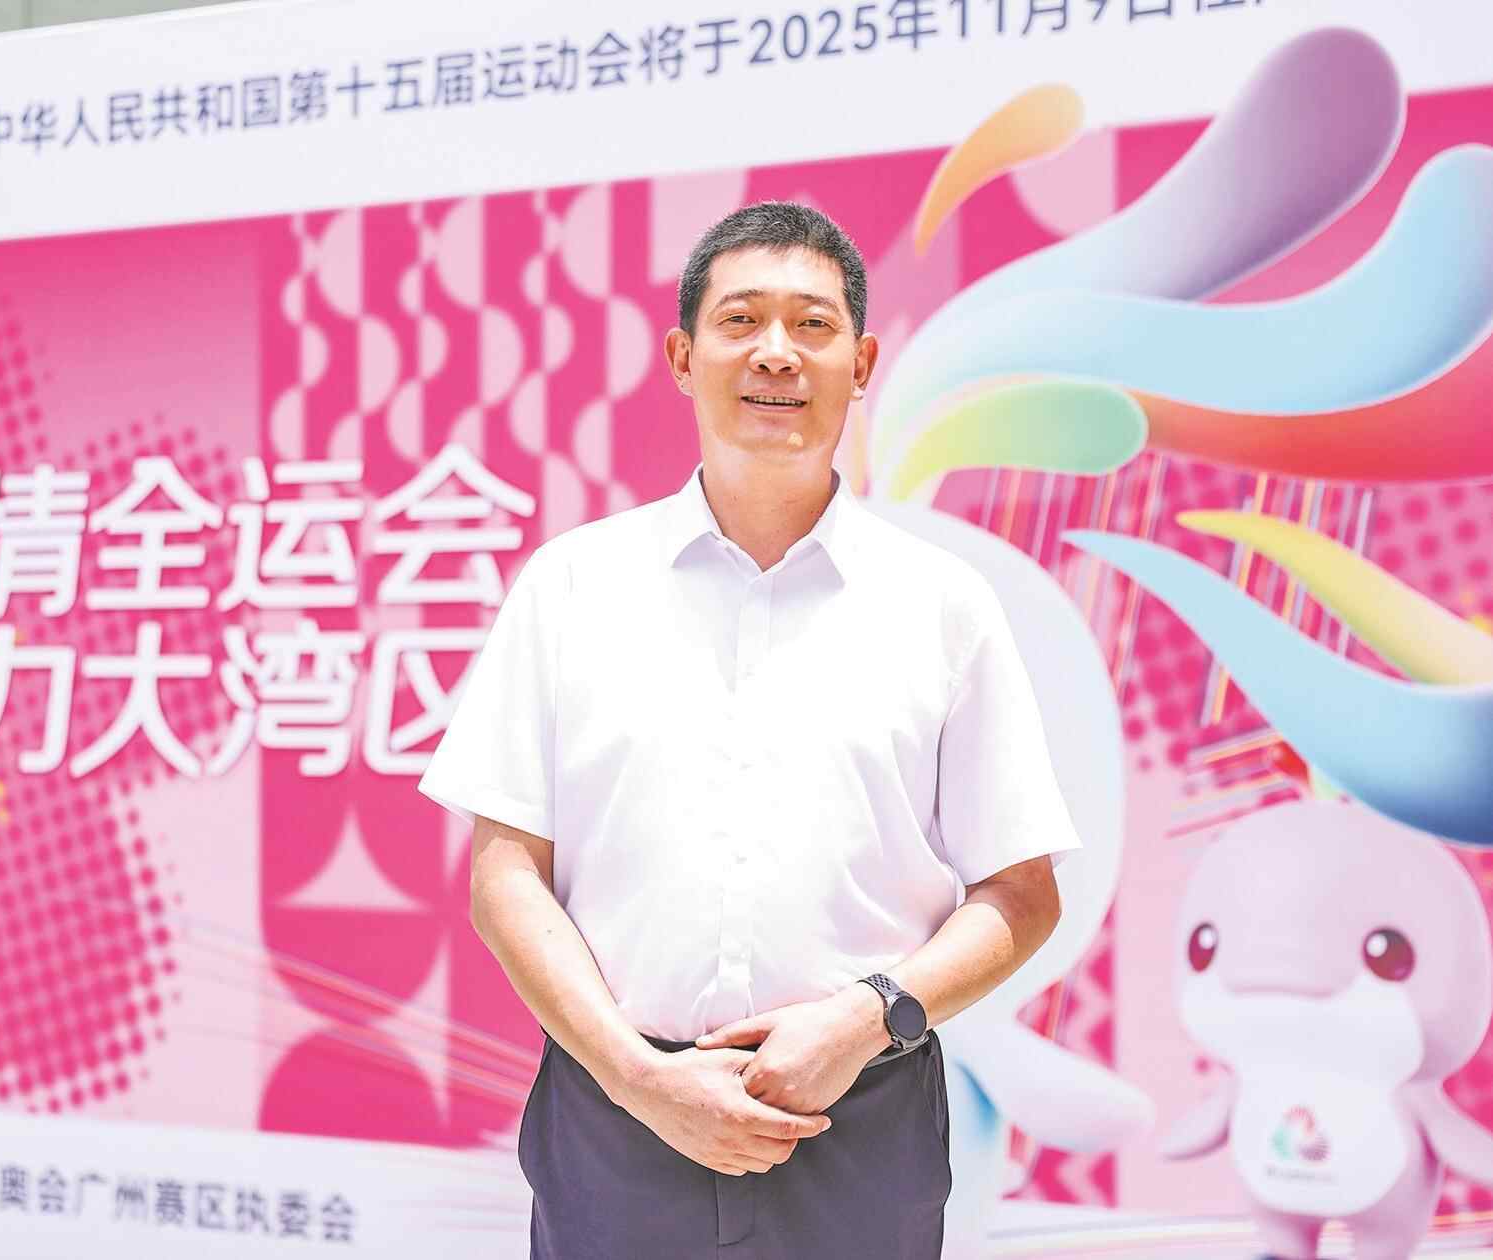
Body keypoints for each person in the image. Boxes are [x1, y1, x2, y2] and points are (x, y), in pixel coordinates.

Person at [416, 201, 1077, 1259]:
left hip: (861, 1123)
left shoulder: (943, 605)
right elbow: (505, 876)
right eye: (741, 321)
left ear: (862, 364)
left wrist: (867, 1016)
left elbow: (1022, 893)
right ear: (683, 357)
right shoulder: (572, 585)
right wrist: (638, 1076)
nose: (777, 352)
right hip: (613, 1118)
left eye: (813, 325)